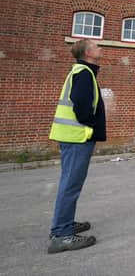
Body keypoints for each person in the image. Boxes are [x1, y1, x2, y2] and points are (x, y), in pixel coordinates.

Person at [48, 39, 106, 253]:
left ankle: (65, 224)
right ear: (89, 52)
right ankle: (62, 234)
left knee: (69, 183)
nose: (101, 49)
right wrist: (91, 123)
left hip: (72, 136)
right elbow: (81, 106)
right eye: (97, 46)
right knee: (71, 185)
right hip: (76, 137)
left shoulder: (81, 71)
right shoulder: (83, 73)